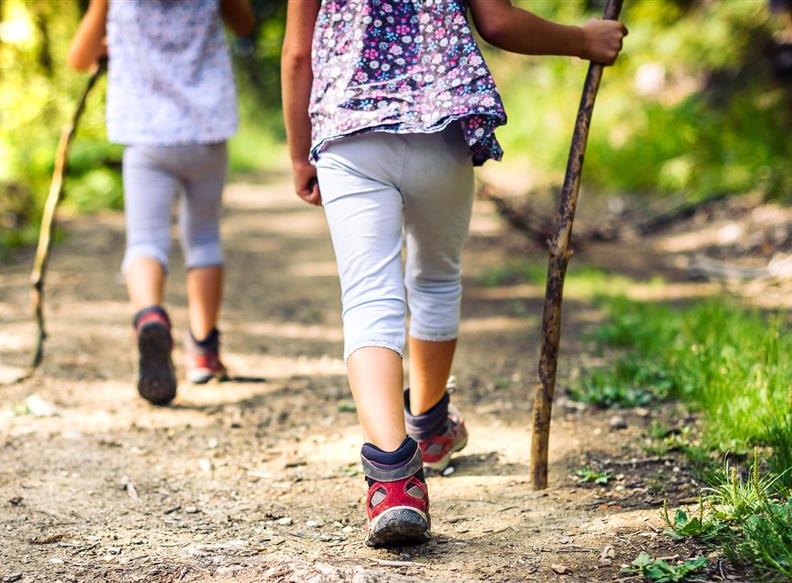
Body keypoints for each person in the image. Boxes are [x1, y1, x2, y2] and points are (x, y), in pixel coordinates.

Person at [281, 0, 625, 546]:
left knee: (370, 297)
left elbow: (300, 54)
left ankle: (393, 480)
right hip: (438, 129)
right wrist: (583, 40)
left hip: (349, 134)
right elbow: (498, 22)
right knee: (436, 279)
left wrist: (301, 154)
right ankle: (431, 425)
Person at [68, 0, 255, 405]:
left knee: (145, 241)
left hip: (146, 134)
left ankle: (150, 315)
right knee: (203, 238)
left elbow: (79, 57)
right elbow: (244, 25)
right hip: (206, 131)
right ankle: (204, 353)